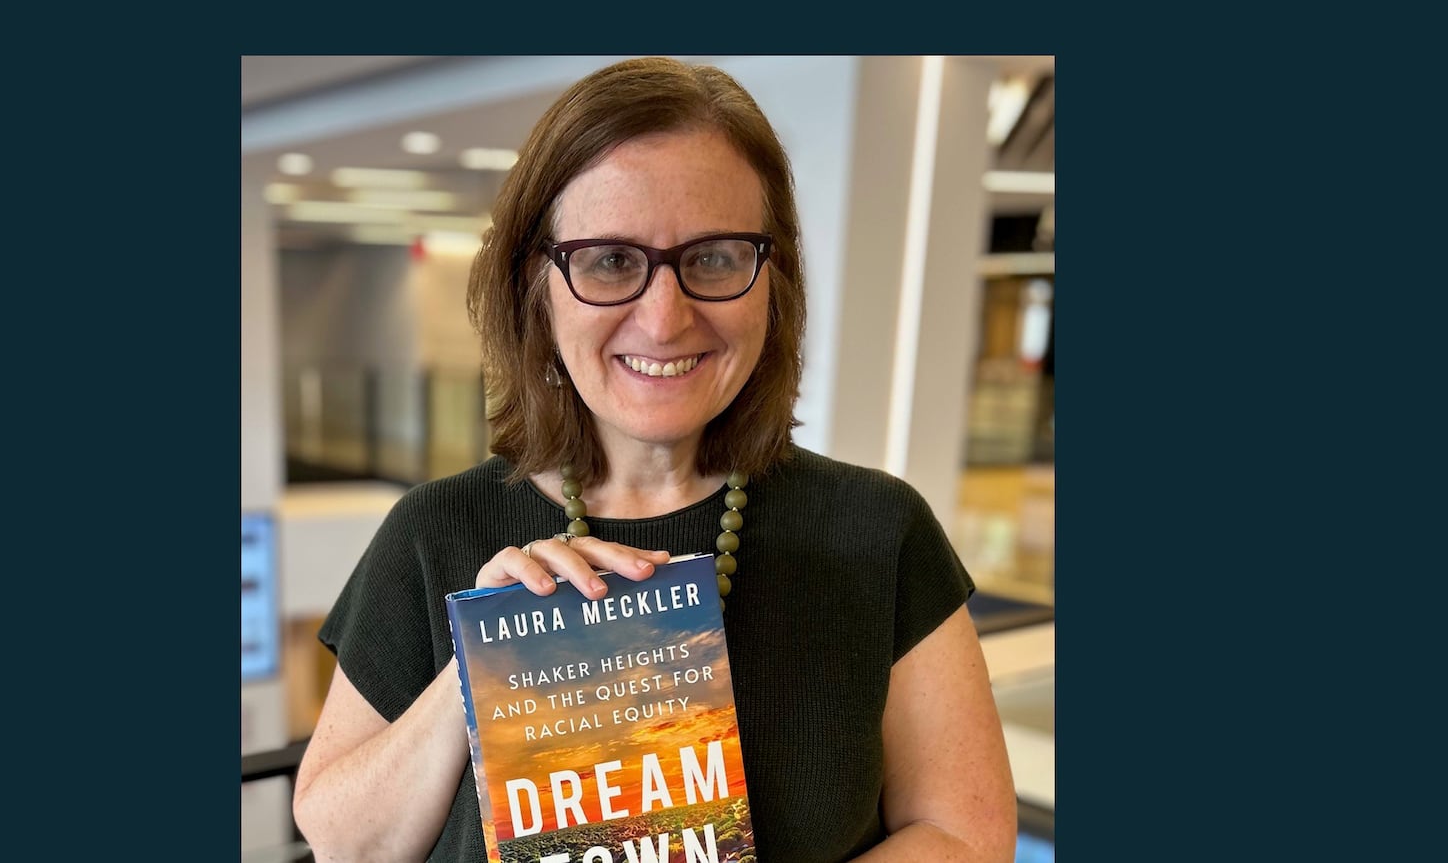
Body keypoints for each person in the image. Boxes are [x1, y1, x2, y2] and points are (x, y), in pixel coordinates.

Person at [291, 57, 1017, 862]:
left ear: (772, 279)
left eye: (713, 258)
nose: (665, 319)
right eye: (610, 260)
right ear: (537, 285)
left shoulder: (878, 531)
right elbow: (342, 842)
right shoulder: (434, 530)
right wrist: (481, 666)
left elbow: (965, 833)